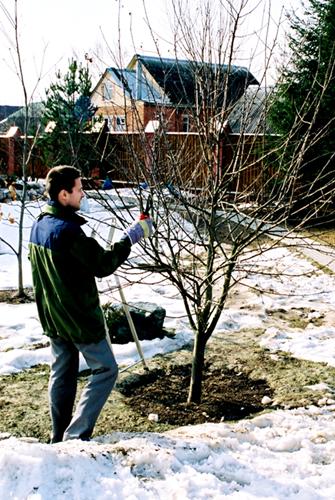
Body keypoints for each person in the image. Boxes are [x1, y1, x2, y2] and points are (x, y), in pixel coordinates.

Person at [29, 165, 153, 443]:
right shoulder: (68, 232)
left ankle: (58, 435)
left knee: (62, 373)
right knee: (106, 369)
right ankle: (75, 437)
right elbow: (103, 263)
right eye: (79, 189)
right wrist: (132, 235)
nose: (83, 194)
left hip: (53, 316)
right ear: (64, 195)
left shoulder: (39, 225)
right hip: (78, 319)